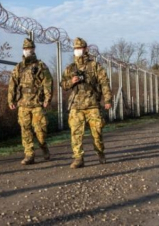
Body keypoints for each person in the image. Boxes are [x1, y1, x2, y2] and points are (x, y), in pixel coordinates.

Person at [61, 37, 112, 169]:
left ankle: (100, 152)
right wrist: (71, 81)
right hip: (76, 105)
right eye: (76, 48)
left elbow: (104, 82)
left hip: (92, 104)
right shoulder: (70, 68)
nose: (78, 51)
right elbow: (63, 84)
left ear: (85, 49)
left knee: (97, 132)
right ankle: (78, 158)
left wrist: (108, 100)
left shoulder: (94, 66)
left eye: (80, 48)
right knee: (76, 133)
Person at [8, 38, 54, 165]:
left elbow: (48, 82)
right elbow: (13, 84)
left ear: (34, 50)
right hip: (23, 104)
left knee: (40, 131)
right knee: (25, 129)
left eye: (31, 48)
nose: (29, 51)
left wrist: (47, 99)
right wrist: (11, 100)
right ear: (23, 50)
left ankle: (44, 147)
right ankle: (29, 155)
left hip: (37, 103)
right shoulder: (19, 67)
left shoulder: (40, 66)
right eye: (26, 49)